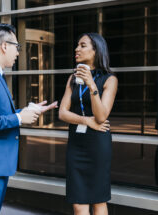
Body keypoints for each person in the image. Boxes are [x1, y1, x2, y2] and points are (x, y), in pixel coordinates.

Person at [0, 23, 57, 215]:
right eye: (17, 46)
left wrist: (25, 111)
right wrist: (18, 118)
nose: (18, 52)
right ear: (4, 46)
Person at [59, 33, 118, 215]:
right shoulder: (72, 78)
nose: (77, 49)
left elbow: (101, 117)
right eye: (77, 45)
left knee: (98, 200)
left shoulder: (109, 79)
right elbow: (62, 113)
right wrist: (86, 121)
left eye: (83, 45)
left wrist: (92, 85)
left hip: (97, 145)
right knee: (78, 203)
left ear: (96, 50)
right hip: (76, 145)